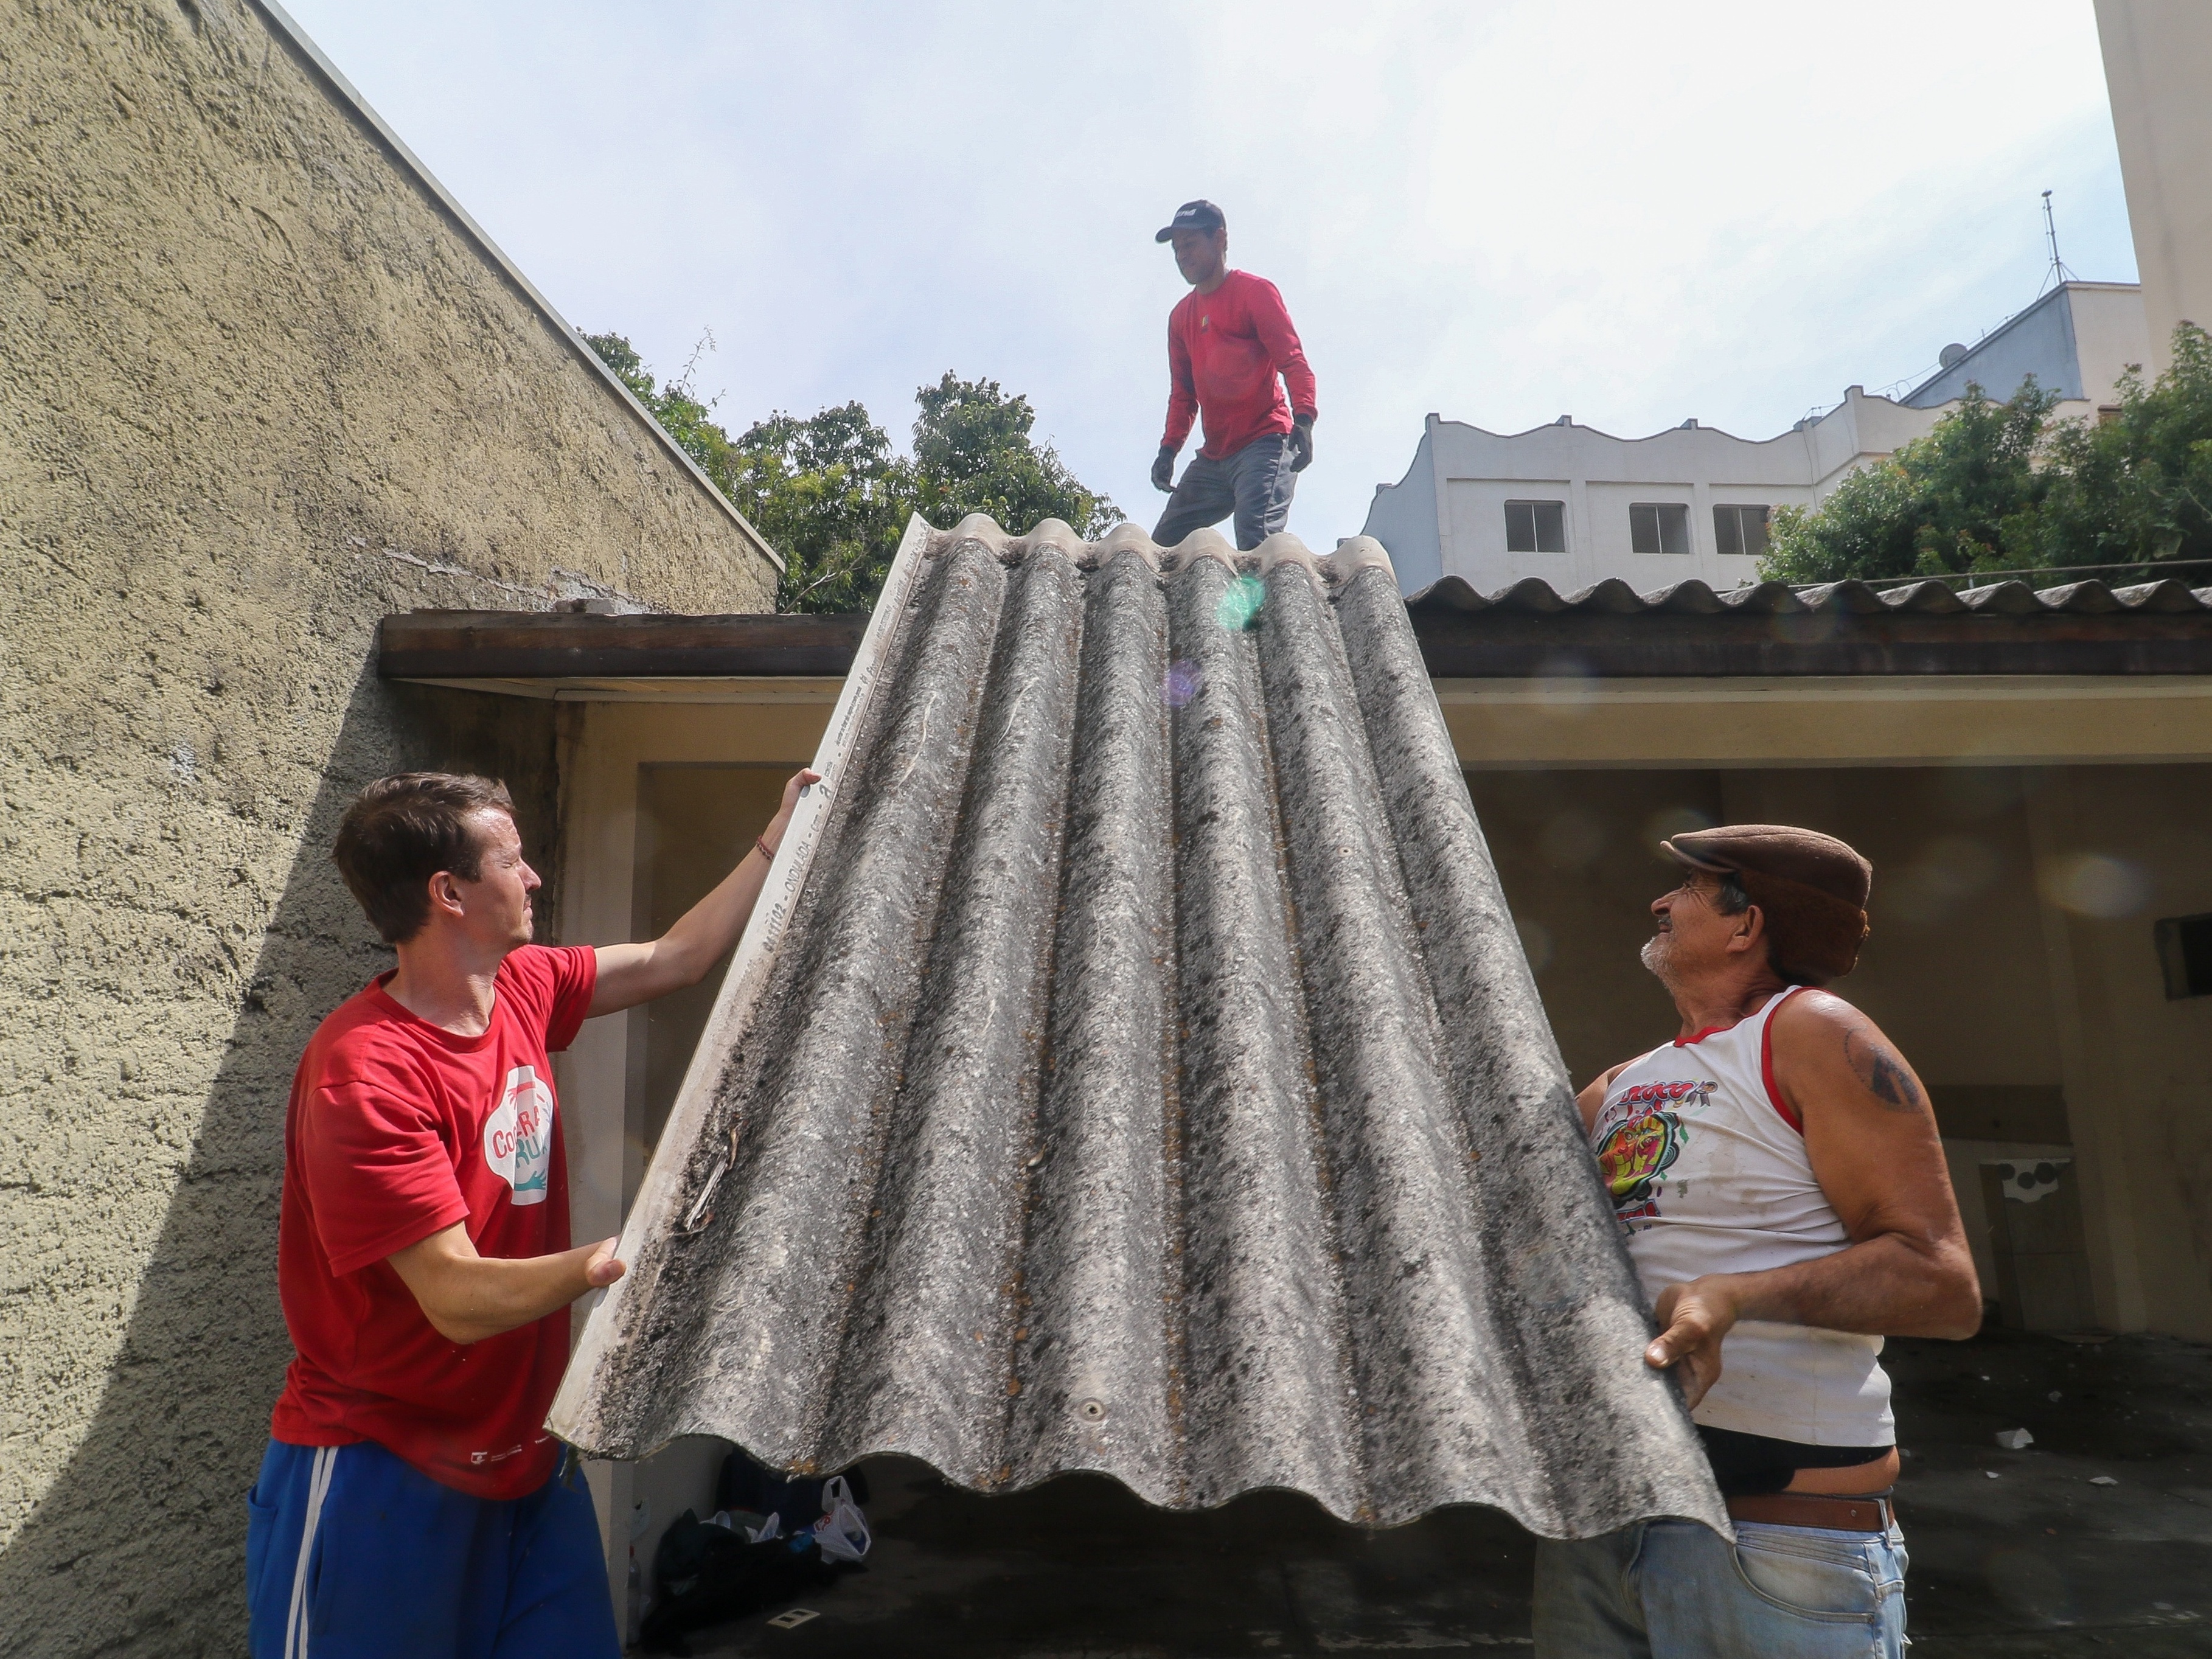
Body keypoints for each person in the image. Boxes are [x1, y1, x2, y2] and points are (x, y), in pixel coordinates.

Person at [248, 765, 816, 1659]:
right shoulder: (366, 1071)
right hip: (382, 1473)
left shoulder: (522, 985)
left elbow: (678, 956)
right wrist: (622, 1256)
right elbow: (455, 1296)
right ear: (451, 893)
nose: (535, 876)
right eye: (512, 860)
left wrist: (776, 837)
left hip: (525, 1462)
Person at [1536, 824, 1981, 1659]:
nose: (1660, 901)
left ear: (1747, 926)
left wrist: (1733, 1297)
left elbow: (1942, 1282)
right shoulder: (1620, 1083)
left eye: (1692, 890)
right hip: (1606, 1520)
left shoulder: (1809, 1031)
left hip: (1774, 1541)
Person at [1149, 199, 1318, 551]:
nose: (1182, 256)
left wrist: (1303, 418)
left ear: (1220, 240)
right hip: (1214, 458)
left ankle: (1272, 606)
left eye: (1191, 245)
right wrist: (1168, 449)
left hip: (1264, 442)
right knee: (1162, 546)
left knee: (1256, 538)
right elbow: (1183, 394)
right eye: (1177, 250)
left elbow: (1292, 360)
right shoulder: (1181, 318)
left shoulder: (1254, 293)